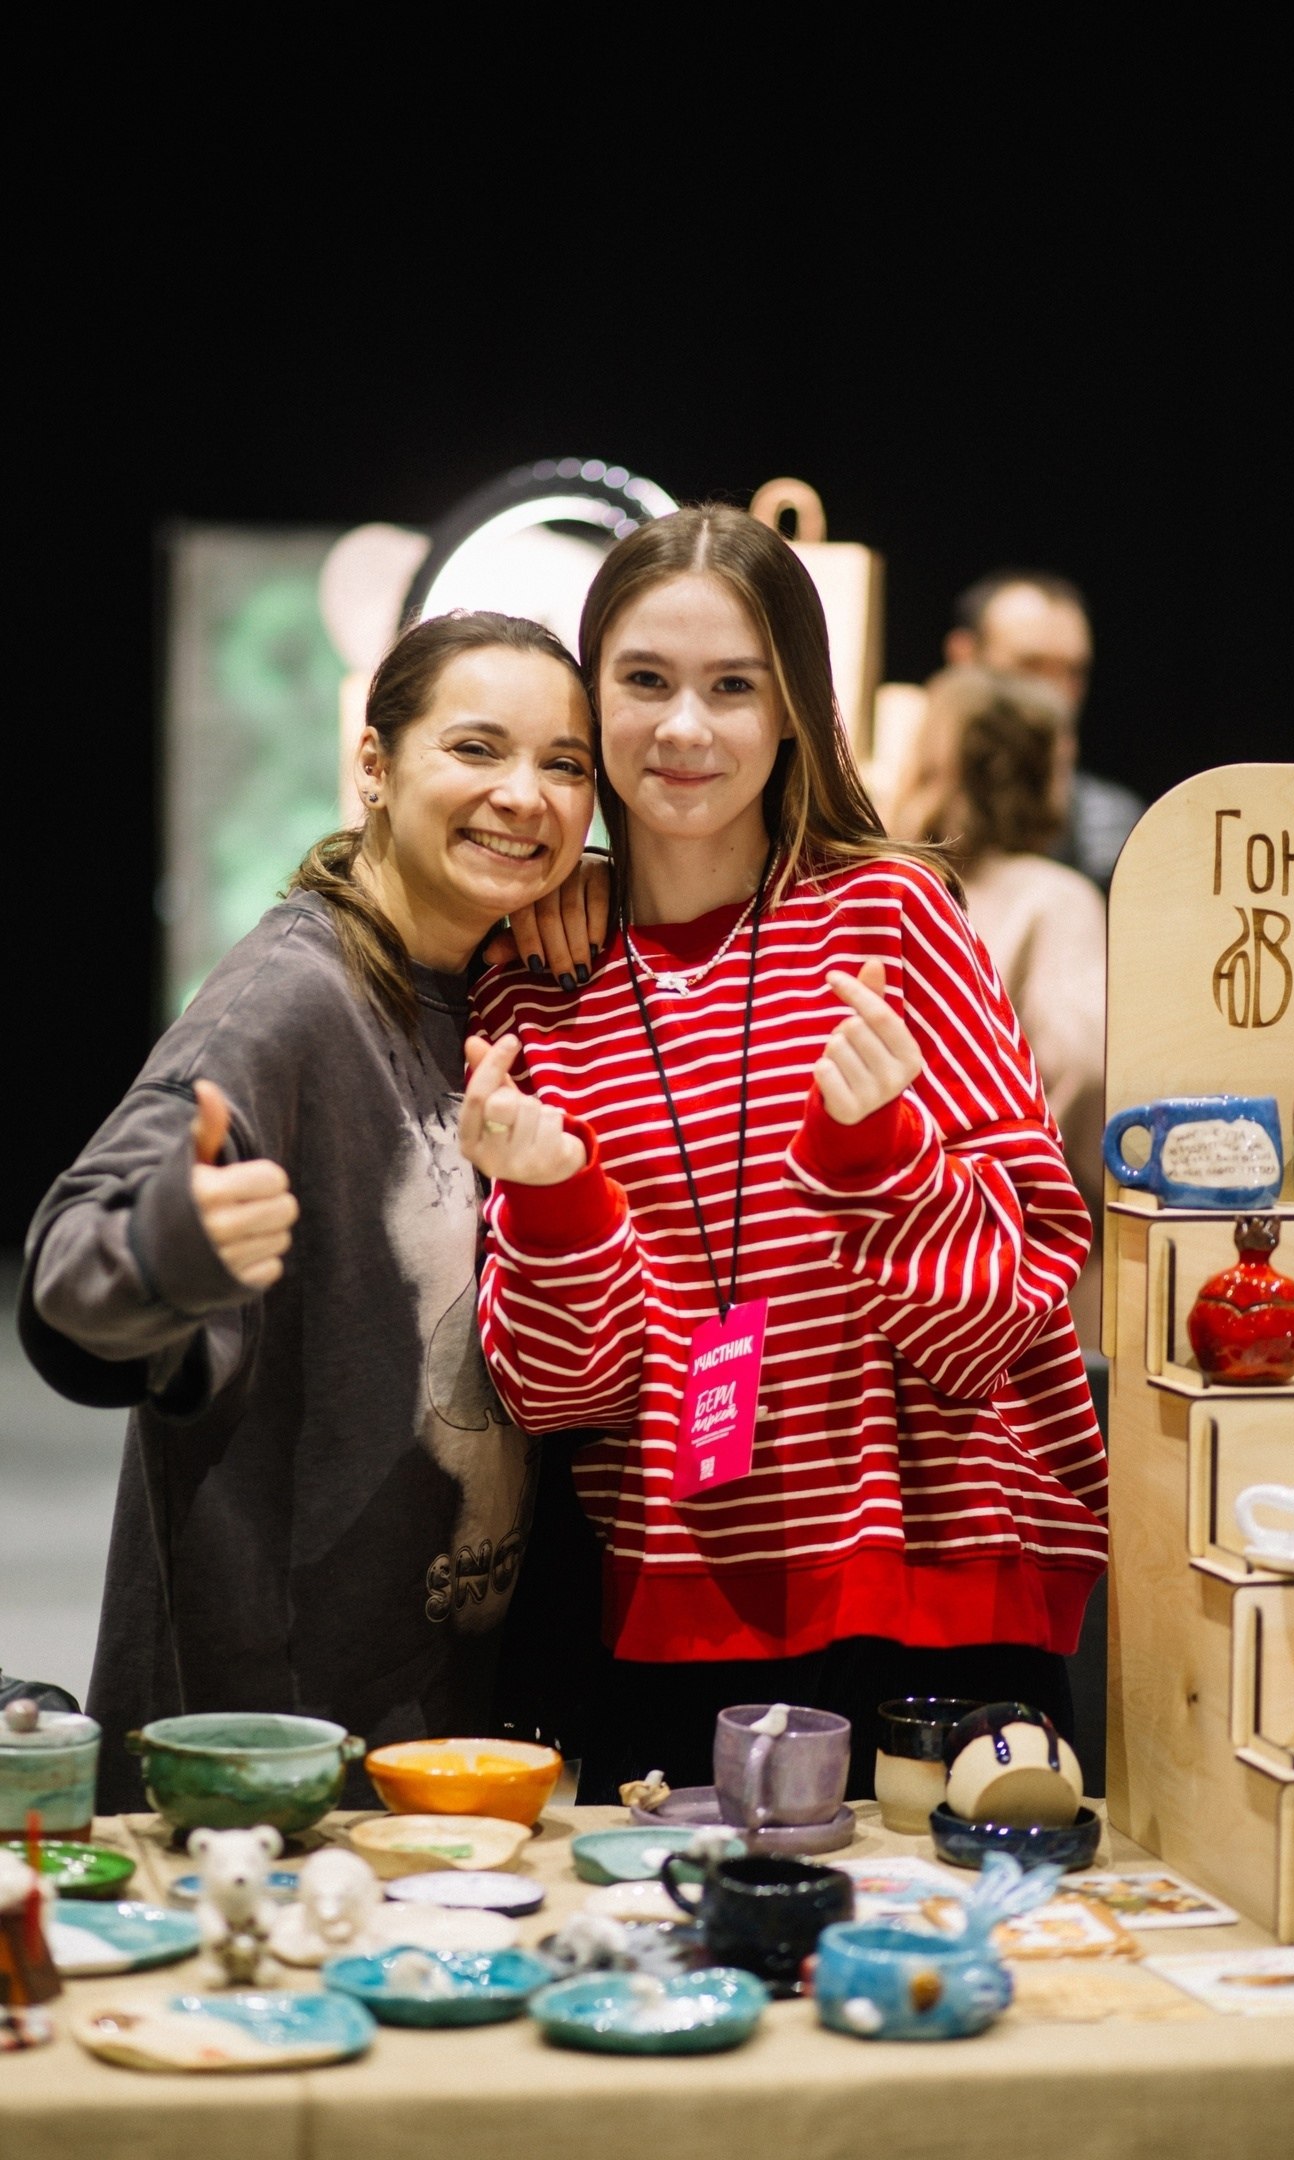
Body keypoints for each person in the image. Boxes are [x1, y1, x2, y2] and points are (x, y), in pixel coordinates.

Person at [462, 507, 1109, 1801]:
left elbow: (1011, 1314)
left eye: (733, 686)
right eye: (644, 681)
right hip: (676, 1617)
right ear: (592, 704)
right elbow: (561, 1394)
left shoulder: (892, 916)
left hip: (949, 1605)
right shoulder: (537, 981)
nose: (686, 728)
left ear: (796, 710)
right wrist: (558, 1200)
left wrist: (880, 1159)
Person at [20, 610, 604, 1811]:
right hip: (260, 1764)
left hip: (430, 1742)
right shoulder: (287, 1002)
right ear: (377, 766)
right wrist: (158, 1251)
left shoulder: (499, 992)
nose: (526, 797)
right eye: (477, 749)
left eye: (565, 764)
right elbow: (70, 1265)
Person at [889, 667, 1107, 1346]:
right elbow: (1082, 1064)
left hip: (902, 1258)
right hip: (1023, 1277)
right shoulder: (1055, 898)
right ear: (1041, 772)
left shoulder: (892, 887)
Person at [945, 569, 1143, 892]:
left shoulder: (1110, 833)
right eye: (1030, 666)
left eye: (1072, 672)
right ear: (963, 657)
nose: (1055, 695)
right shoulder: (886, 796)